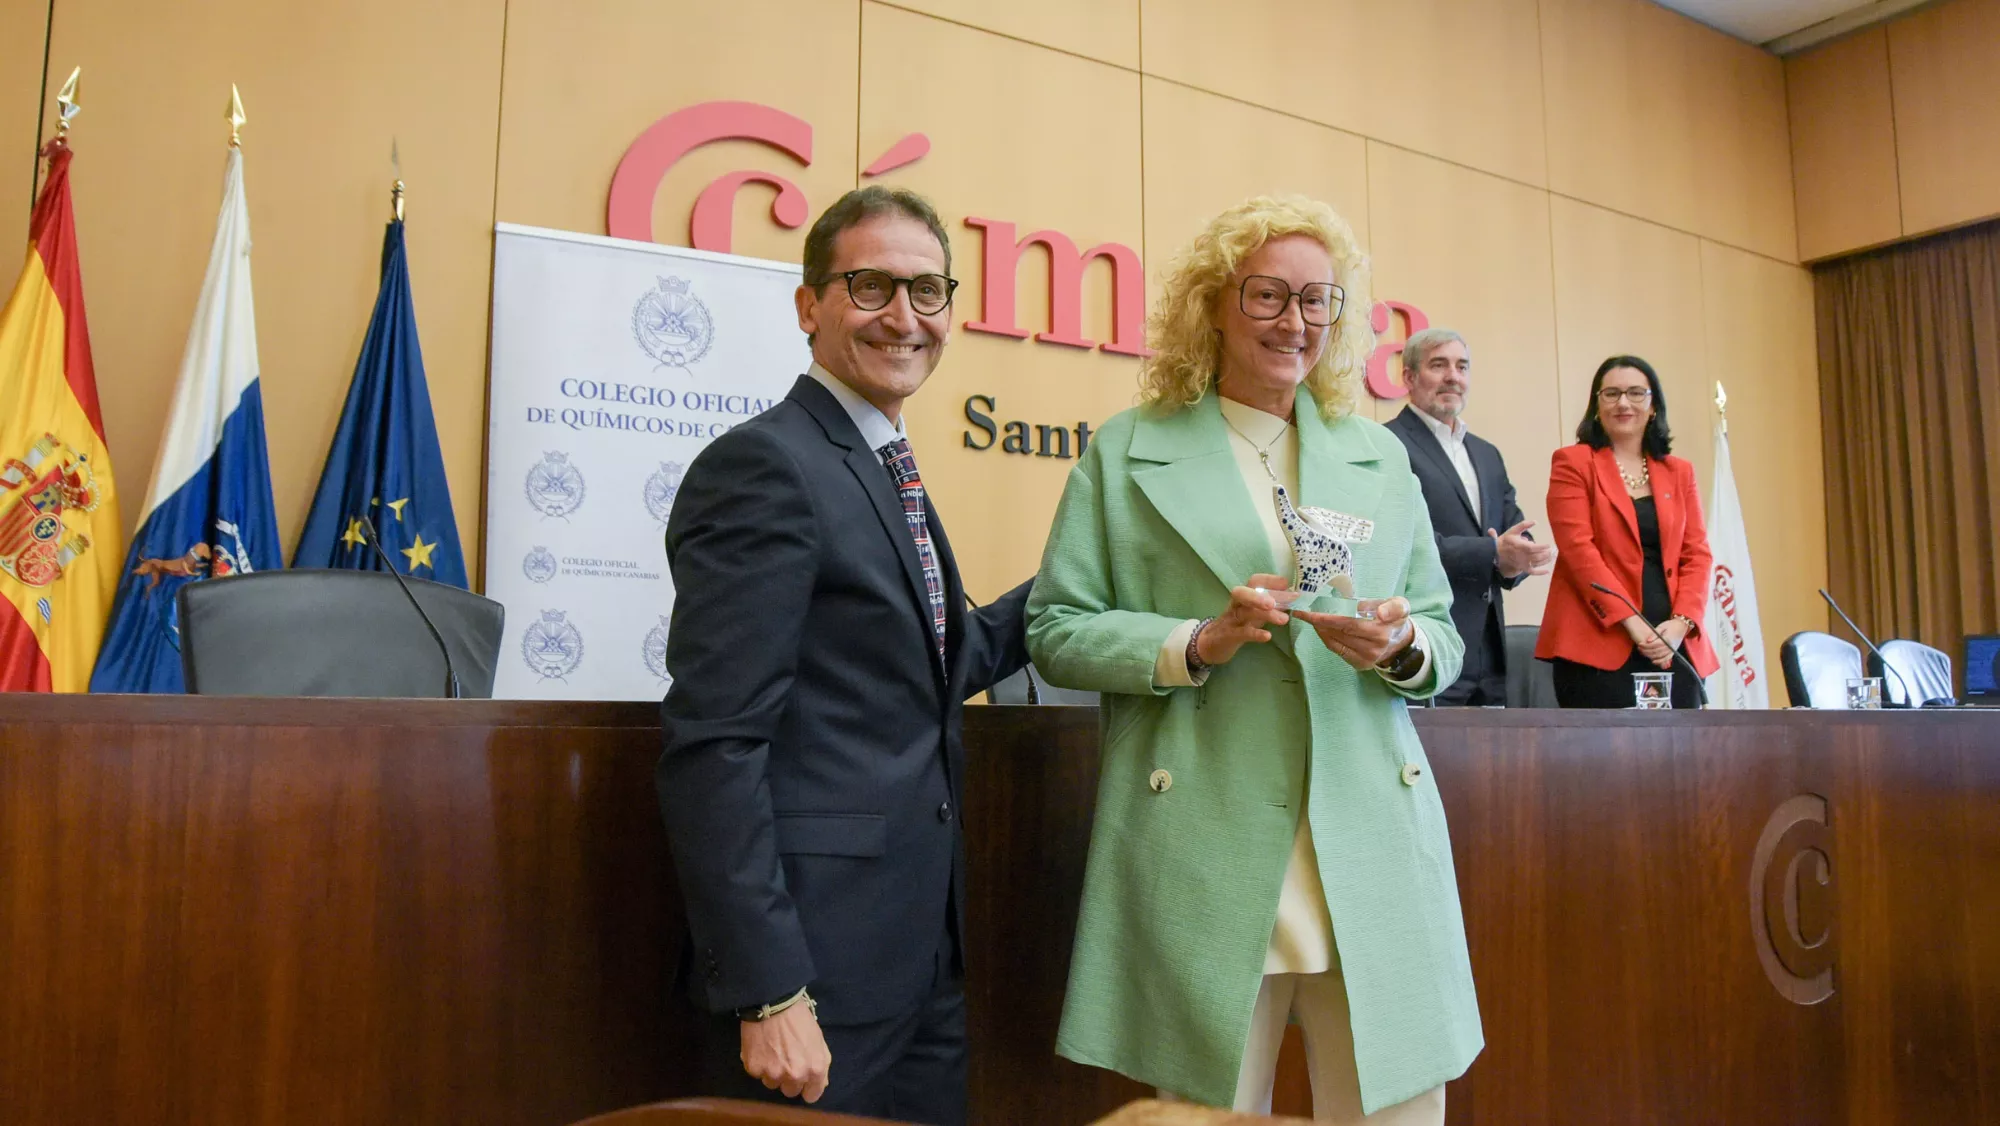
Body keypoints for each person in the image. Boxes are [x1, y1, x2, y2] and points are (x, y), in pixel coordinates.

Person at [1027, 196, 1480, 1124]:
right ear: (1213, 304)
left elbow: (1440, 631)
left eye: (1318, 300)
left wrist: (1397, 645)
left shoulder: (1379, 457)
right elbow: (1057, 629)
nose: (1295, 321)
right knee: (1209, 1115)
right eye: (1268, 294)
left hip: (1369, 838)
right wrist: (1197, 641)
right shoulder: (1128, 450)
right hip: (1206, 835)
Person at [657, 186, 1032, 1125]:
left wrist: (1087, 576)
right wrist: (769, 991)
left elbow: (939, 666)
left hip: (919, 960)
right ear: (809, 306)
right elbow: (715, 744)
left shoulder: (878, 461)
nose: (905, 316)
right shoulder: (767, 466)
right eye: (871, 286)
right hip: (813, 981)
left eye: (928, 290)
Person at [1535, 355, 1717, 708]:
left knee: (1682, 744)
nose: (1623, 403)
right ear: (1597, 406)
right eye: (1611, 394)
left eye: (1635, 393)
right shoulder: (1573, 463)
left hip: (1674, 646)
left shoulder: (1679, 472)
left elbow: (1697, 554)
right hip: (1598, 646)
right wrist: (1633, 623)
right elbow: (1579, 551)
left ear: (1653, 406)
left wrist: (1681, 624)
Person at [1384, 329, 1554, 705]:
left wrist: (1520, 558)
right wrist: (1492, 553)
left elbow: (1513, 529)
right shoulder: (1387, 444)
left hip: (1489, 653)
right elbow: (1398, 542)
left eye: (1462, 367)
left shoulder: (1487, 454)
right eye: (1438, 365)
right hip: (1423, 644)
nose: (1453, 377)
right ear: (1409, 377)